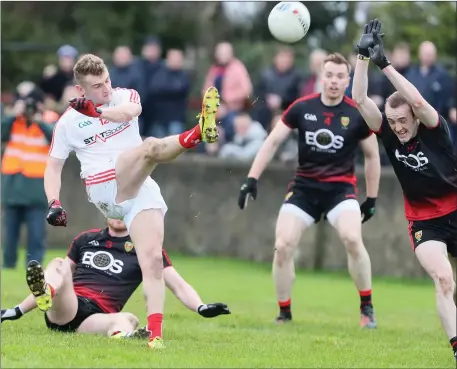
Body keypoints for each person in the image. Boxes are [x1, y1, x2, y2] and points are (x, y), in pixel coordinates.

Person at [44, 54, 220, 349]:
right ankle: (197, 133)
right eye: (97, 86)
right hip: (104, 188)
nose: (106, 89)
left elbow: (129, 112)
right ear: (80, 90)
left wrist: (98, 112)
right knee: (148, 148)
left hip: (139, 183)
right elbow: (53, 166)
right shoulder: (67, 123)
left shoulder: (125, 95)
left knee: (151, 260)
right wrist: (53, 201)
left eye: (107, 80)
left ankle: (156, 337)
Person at [238, 53, 381, 328]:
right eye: (329, 75)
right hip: (304, 189)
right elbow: (271, 143)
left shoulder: (357, 113)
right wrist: (251, 179)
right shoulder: (301, 108)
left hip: (341, 190)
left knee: (352, 238)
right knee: (282, 246)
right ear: (320, 77)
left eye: (340, 77)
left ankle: (367, 306)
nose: (334, 81)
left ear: (348, 80)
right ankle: (284, 312)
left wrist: (371, 198)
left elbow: (372, 156)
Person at [351, 19, 457, 361]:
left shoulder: (433, 129)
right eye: (392, 122)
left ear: (414, 117)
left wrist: (386, 64)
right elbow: (359, 98)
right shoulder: (386, 131)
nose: (397, 128)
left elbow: (419, 100)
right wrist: (363, 57)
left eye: (402, 121)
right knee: (443, 279)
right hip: (425, 221)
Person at [1, 218, 230, 337]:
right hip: (69, 305)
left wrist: (200, 307)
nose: (117, 213)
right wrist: (16, 311)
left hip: (96, 319)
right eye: (113, 206)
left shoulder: (146, 249)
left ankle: (122, 337)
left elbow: (178, 285)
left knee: (130, 319)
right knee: (57, 264)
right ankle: (45, 296)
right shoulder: (86, 239)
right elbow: (58, 278)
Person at [1, 95, 55, 268]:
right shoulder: (13, 122)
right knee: (10, 231)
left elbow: (54, 139)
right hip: (13, 185)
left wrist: (38, 121)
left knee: (36, 232)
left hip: (37, 186)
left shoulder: (49, 120)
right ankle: (9, 263)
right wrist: (13, 114)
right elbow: (2, 133)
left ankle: (34, 265)